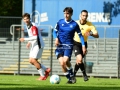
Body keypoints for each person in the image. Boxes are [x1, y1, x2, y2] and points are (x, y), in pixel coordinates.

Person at [53, 7, 86, 84]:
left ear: (71, 14)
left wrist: (83, 45)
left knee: (65, 61)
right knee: (62, 63)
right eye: (64, 13)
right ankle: (70, 78)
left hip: (68, 45)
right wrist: (56, 38)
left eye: (67, 13)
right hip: (60, 45)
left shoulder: (74, 24)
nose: (66, 15)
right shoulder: (59, 22)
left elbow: (80, 36)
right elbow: (54, 32)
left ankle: (71, 77)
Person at [19, 13, 51, 80]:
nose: (26, 20)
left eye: (27, 18)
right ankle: (46, 69)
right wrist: (29, 42)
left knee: (33, 60)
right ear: (23, 20)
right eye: (24, 19)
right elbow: (32, 36)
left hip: (38, 45)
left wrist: (24, 39)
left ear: (29, 18)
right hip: (34, 44)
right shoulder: (28, 25)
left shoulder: (33, 26)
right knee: (31, 61)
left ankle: (42, 76)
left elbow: (35, 37)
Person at [73, 10, 99, 81]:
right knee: (80, 59)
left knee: (79, 61)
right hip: (75, 43)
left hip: (84, 44)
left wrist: (91, 34)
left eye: (86, 16)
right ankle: (84, 75)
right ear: (80, 16)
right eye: (83, 15)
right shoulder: (75, 23)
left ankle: (73, 76)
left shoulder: (90, 25)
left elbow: (97, 35)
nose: (84, 17)